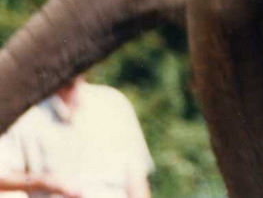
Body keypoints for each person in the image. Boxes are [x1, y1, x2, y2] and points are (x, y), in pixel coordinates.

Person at [0, 74, 153, 198]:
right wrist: (43, 181)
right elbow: (2, 176)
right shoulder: (27, 113)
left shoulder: (114, 103)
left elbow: (137, 182)